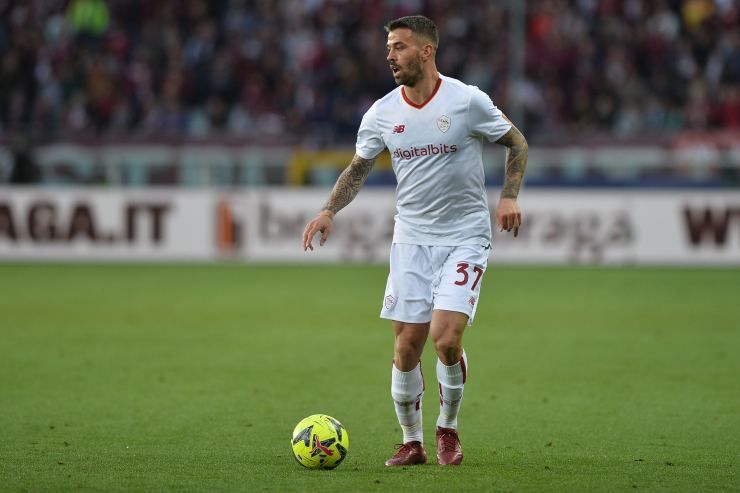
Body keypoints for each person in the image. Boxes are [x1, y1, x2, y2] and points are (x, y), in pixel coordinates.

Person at [302, 15, 528, 467]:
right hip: (411, 239)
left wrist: (508, 196)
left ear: (426, 51)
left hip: (465, 235)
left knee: (446, 340)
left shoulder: (466, 100)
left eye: (399, 46)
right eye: (388, 47)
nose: (390, 55)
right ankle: (412, 442)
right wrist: (328, 210)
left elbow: (517, 143)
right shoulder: (382, 113)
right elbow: (358, 168)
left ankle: (447, 429)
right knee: (407, 345)